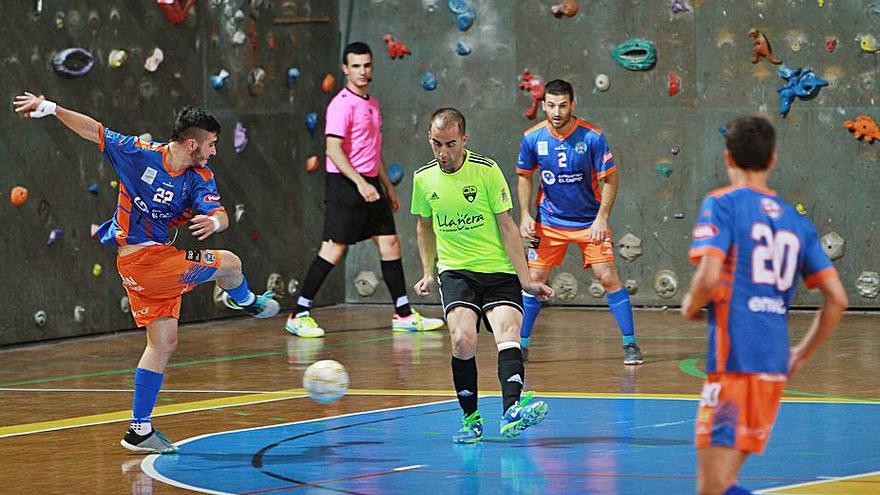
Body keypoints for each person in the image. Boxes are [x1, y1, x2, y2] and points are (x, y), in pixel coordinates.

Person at [12, 93, 280, 454]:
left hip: (151, 264)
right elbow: (96, 131)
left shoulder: (199, 176)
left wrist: (214, 221)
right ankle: (246, 301)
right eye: (212, 144)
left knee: (162, 344)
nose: (214, 151)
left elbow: (221, 213)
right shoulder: (140, 154)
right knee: (230, 263)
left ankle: (139, 430)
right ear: (191, 143)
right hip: (144, 263)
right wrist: (53, 109)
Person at [681, 115, 848, 495]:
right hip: (772, 365)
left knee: (712, 488)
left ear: (728, 158)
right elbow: (837, 299)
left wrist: (691, 305)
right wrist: (801, 355)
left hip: (735, 363)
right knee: (722, 485)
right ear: (772, 160)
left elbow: (707, 278)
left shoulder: (722, 204)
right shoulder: (796, 222)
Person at [412, 108, 555, 444]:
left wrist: (525, 278)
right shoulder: (423, 179)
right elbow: (424, 225)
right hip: (455, 270)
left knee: (509, 332)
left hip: (498, 268)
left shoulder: (487, 171)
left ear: (464, 139)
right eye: (436, 144)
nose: (443, 153)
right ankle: (471, 419)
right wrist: (426, 271)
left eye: (450, 144)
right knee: (462, 339)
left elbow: (507, 226)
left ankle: (511, 412)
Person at [285, 41, 443, 338]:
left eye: (367, 65)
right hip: (345, 185)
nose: (362, 71)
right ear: (345, 69)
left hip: (371, 184)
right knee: (332, 250)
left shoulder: (372, 103)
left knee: (390, 244)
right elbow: (333, 149)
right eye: (355, 66)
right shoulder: (340, 105)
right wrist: (359, 183)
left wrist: (386, 187)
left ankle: (403, 313)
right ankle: (299, 312)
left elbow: (373, 150)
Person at [516, 79, 643, 364]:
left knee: (607, 277)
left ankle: (630, 344)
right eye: (550, 105)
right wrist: (525, 214)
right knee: (534, 280)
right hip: (549, 222)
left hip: (589, 222)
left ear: (572, 105)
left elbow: (610, 178)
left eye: (562, 105)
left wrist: (602, 217)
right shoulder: (532, 138)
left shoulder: (592, 137)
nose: (557, 111)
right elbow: (524, 175)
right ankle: (521, 345)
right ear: (544, 106)